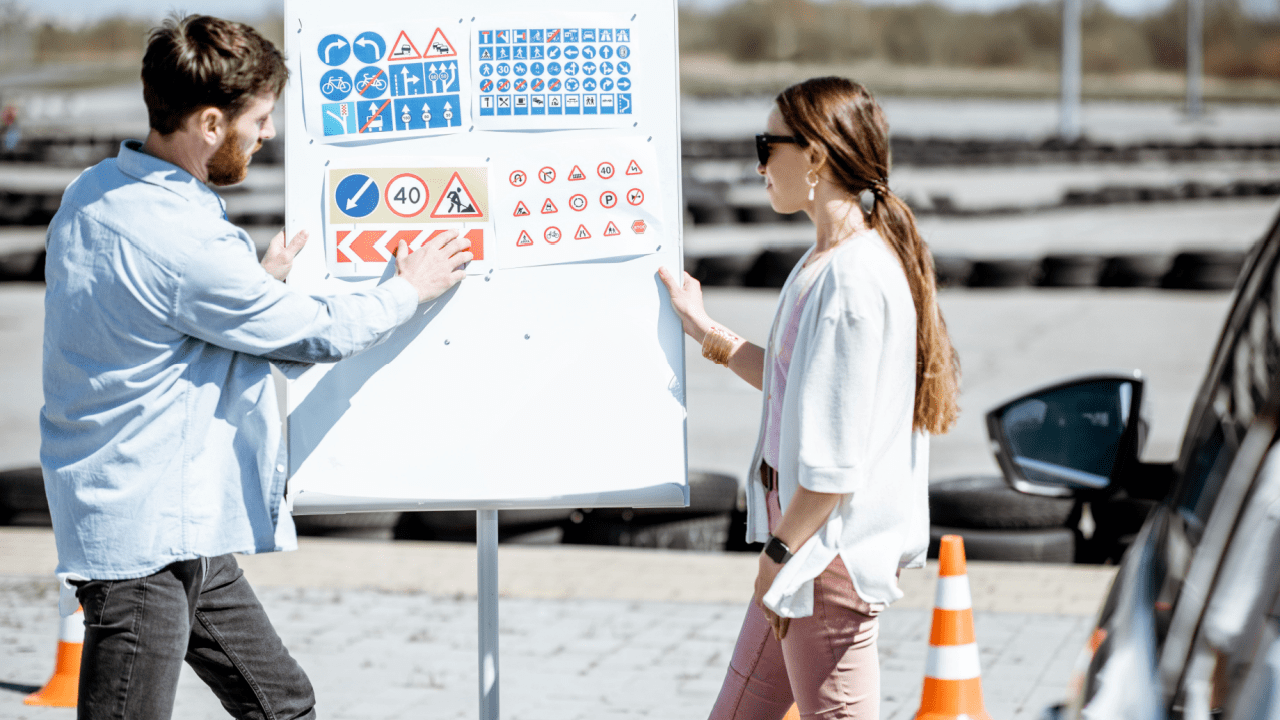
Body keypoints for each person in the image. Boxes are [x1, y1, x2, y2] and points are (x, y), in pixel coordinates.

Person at [40, 15, 471, 719]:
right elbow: (314, 333)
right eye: (261, 118)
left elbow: (149, 316)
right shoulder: (185, 241)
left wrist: (249, 289)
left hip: (178, 519)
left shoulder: (94, 190)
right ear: (211, 123)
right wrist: (408, 288)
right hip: (143, 542)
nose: (269, 134)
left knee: (283, 704)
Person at [658, 77, 961, 720]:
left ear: (816, 156)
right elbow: (792, 381)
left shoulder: (851, 281)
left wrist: (777, 558)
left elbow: (833, 468)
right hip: (804, 550)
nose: (759, 165)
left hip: (822, 558)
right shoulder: (823, 262)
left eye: (766, 145)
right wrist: (704, 329)